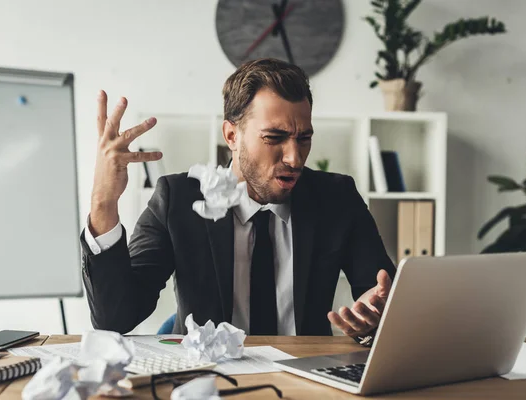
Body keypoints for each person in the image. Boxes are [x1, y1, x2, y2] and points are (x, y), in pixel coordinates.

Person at [81, 58, 396, 342]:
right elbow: (115, 318)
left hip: (307, 376)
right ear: (231, 136)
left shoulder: (336, 198)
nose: (294, 157)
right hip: (210, 380)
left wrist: (376, 317)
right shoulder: (176, 200)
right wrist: (103, 201)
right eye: (274, 137)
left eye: (304, 138)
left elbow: (382, 295)